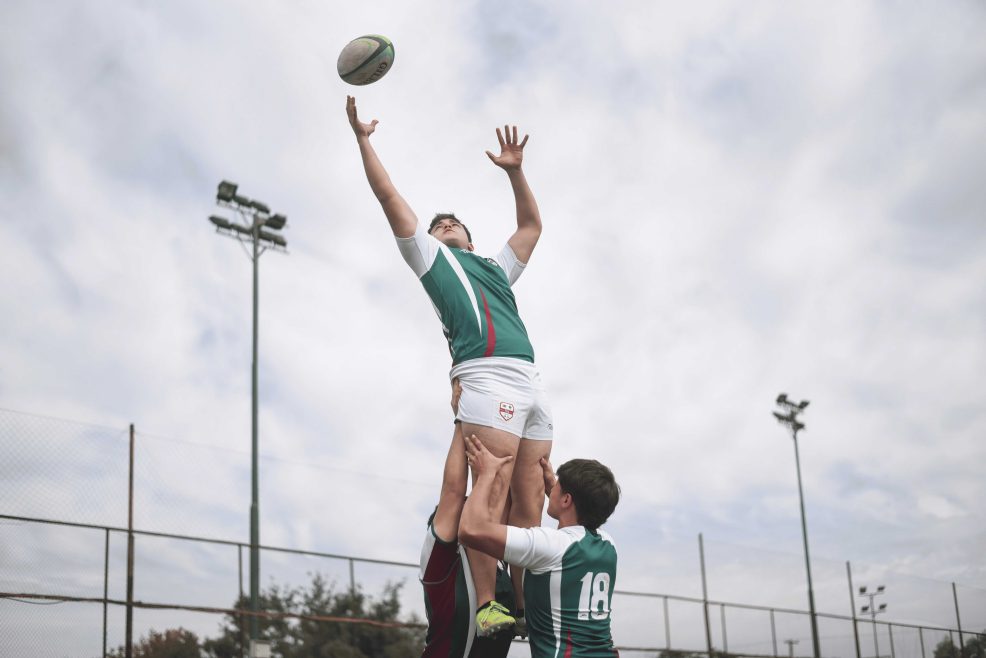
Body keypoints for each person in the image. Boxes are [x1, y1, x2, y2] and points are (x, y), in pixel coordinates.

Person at [346, 95, 553, 636]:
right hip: (486, 376)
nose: (443, 225)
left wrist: (516, 173)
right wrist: (364, 141)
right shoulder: (431, 260)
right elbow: (387, 194)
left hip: (531, 380)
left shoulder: (493, 268)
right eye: (437, 225)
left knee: (528, 501)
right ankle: (489, 603)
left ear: (470, 237)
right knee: (490, 491)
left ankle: (528, 609)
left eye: (452, 223)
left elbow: (531, 226)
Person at [458, 435, 620, 658]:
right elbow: (573, 525)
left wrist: (486, 474)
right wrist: (558, 488)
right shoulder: (609, 545)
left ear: (566, 500)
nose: (552, 487)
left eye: (557, 486)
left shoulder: (549, 546)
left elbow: (470, 530)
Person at [419, 425, 515, 658]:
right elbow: (453, 491)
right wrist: (462, 421)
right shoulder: (439, 560)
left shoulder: (494, 563)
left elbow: (502, 499)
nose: (472, 504)